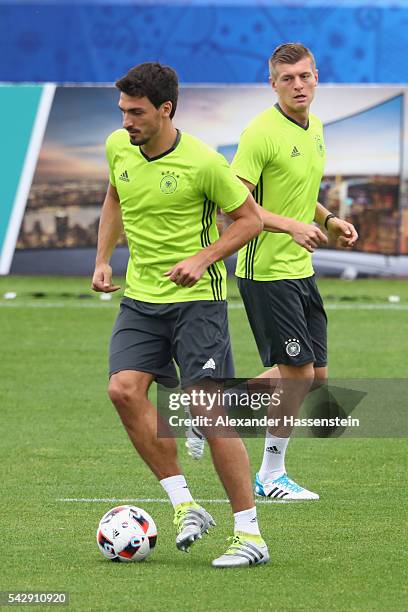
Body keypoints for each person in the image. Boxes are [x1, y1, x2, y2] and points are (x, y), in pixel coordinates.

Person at [92, 62, 269, 567]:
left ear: (165, 110)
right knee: (122, 389)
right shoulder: (117, 146)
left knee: (208, 410)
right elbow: (114, 198)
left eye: (137, 112)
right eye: (123, 110)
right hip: (141, 299)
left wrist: (203, 258)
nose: (126, 121)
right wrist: (103, 258)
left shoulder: (204, 162)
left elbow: (250, 221)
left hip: (198, 302)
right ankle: (185, 505)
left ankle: (251, 535)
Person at [186, 43, 358, 502]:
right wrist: (291, 225)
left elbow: (299, 191)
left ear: (316, 77)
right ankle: (271, 475)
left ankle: (212, 406)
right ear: (273, 84)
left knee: (314, 376)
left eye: (304, 76)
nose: (298, 85)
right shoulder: (260, 133)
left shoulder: (316, 127)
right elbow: (234, 205)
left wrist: (327, 220)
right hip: (265, 271)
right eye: (288, 79)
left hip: (300, 269)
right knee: (296, 374)